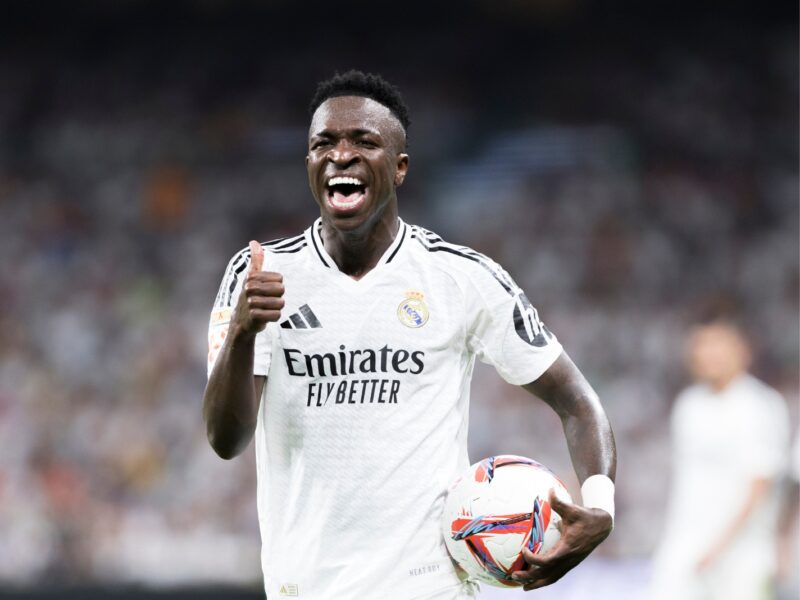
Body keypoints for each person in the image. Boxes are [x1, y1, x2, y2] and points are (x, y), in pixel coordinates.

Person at [202, 70, 616, 600]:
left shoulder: (462, 278)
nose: (341, 155)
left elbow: (578, 401)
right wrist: (242, 333)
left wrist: (600, 504)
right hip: (304, 588)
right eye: (322, 144)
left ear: (399, 168)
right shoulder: (259, 275)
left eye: (364, 142)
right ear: (308, 164)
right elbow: (225, 440)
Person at [646, 320, 790, 600]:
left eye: (719, 345)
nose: (710, 354)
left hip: (742, 553)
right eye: (702, 346)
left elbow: (760, 485)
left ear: (743, 351)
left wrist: (717, 547)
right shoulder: (688, 405)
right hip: (684, 545)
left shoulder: (759, 405)